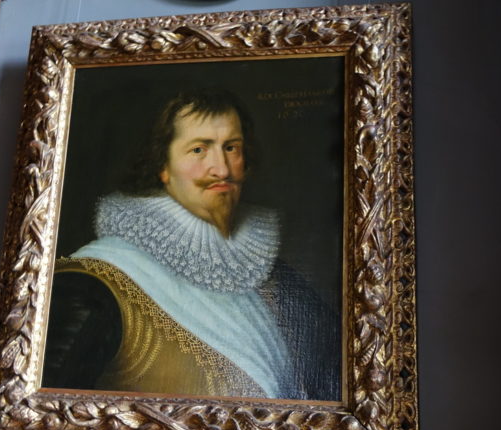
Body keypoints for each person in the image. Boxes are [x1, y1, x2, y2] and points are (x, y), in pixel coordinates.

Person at [42, 90, 340, 400]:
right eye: (199, 149)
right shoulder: (94, 282)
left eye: (231, 148)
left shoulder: (274, 277)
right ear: (162, 165)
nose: (222, 169)